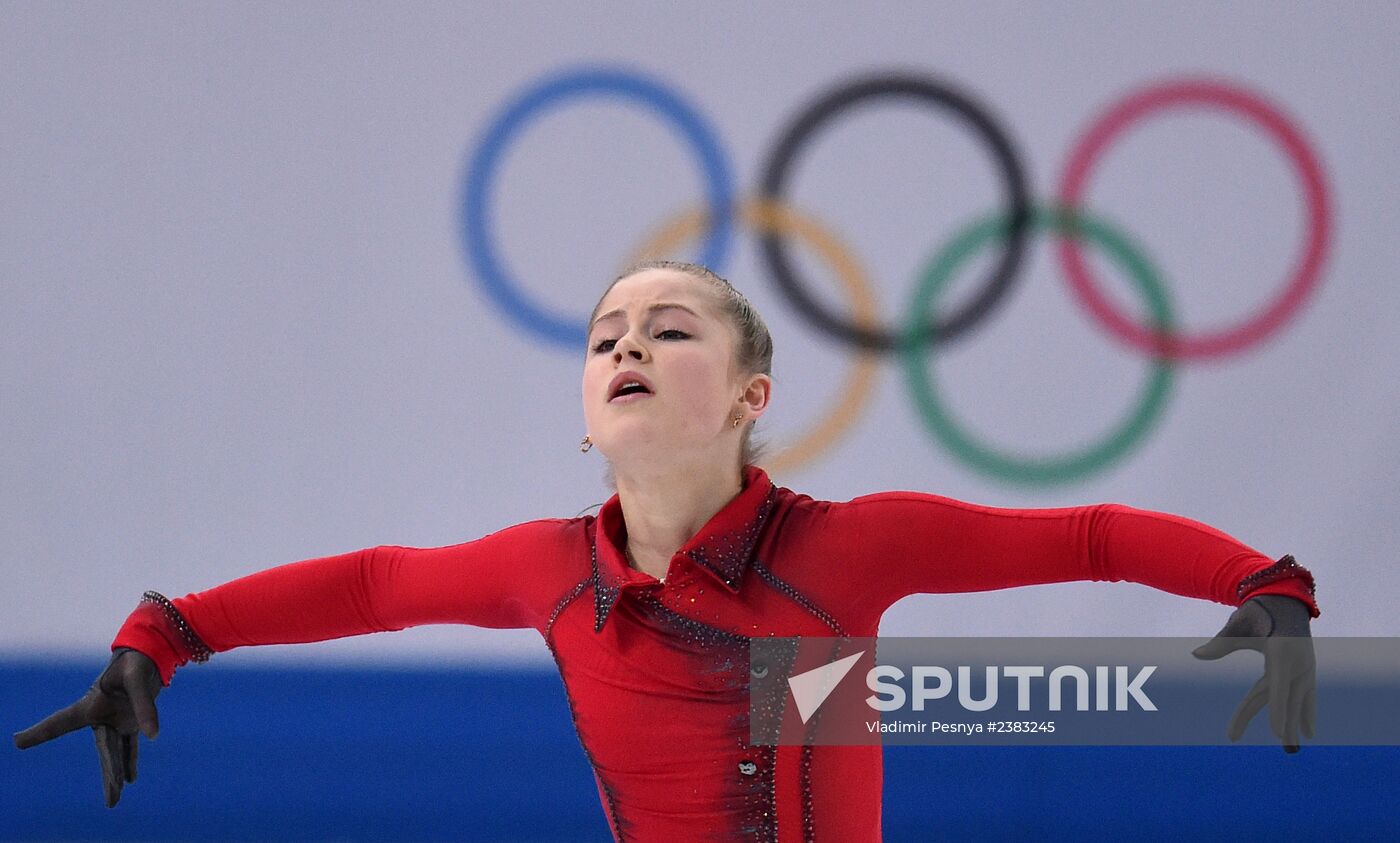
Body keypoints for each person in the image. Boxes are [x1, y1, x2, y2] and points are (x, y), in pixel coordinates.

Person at [13, 260, 1318, 840]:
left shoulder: (851, 553)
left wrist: (1259, 586)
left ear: (753, 397)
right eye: (604, 338)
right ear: (587, 413)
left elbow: (1084, 533)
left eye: (671, 329)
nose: (626, 347)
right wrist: (164, 638)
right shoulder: (548, 572)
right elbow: (373, 585)